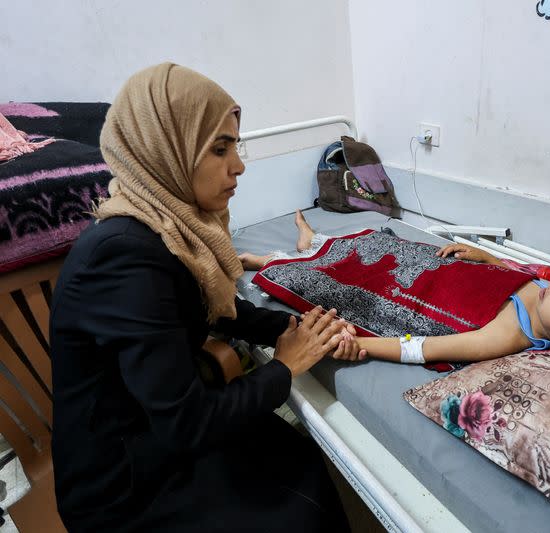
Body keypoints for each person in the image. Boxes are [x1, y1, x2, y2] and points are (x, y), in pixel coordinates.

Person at [50, 63, 357, 533]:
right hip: (125, 483)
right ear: (164, 149)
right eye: (219, 148)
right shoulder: (126, 259)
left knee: (294, 454)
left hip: (158, 433)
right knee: (297, 505)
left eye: (236, 145)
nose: (239, 165)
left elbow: (211, 309)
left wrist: (292, 328)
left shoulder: (168, 229)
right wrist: (285, 366)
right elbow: (187, 424)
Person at [239, 210, 550, 371]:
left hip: (416, 293)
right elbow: (521, 279)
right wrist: (491, 262)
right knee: (378, 246)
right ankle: (310, 243)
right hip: (436, 268)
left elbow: (423, 347)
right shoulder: (549, 289)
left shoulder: (507, 335)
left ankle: (275, 260)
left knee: (342, 280)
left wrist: (366, 345)